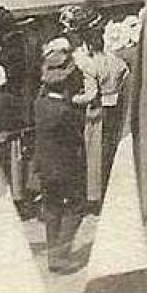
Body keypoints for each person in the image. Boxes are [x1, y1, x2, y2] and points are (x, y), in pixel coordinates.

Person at [32, 46, 87, 273]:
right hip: (66, 166)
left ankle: (52, 253)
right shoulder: (66, 112)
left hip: (45, 166)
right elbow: (75, 139)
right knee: (75, 207)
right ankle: (60, 254)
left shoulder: (40, 105)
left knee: (52, 208)